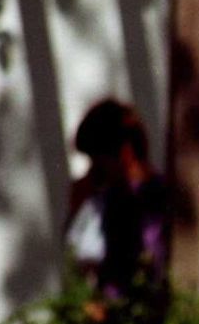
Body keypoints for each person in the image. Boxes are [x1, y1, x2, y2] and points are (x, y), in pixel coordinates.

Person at [64, 99, 168, 302]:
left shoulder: (153, 197)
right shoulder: (104, 198)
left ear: (125, 152)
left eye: (99, 161)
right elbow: (80, 258)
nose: (94, 171)